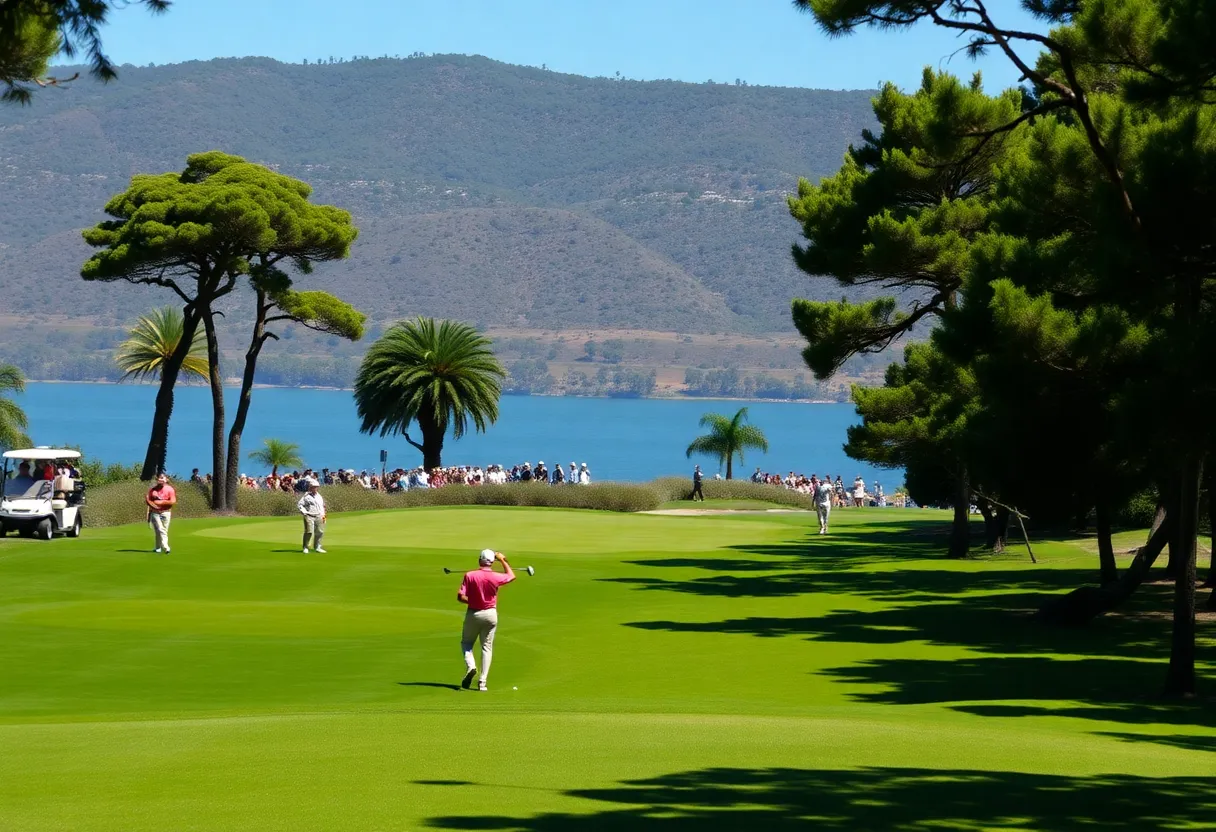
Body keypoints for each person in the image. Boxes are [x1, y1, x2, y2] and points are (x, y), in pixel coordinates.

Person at [457, 548, 516, 691]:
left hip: (473, 613)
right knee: (486, 647)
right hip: (490, 615)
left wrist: (473, 601)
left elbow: (460, 597)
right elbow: (511, 576)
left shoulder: (469, 575)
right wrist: (502, 559)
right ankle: (482, 683)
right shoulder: (496, 577)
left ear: (479, 560)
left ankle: (471, 666)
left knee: (466, 643)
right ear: (492, 562)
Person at [146, 473, 176, 554]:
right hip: (155, 513)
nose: (161, 479)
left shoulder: (170, 489)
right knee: (160, 529)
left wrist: (161, 502)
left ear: (166, 480)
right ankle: (166, 547)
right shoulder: (152, 490)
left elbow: (173, 501)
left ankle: (158, 548)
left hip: (166, 512)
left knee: (163, 531)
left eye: (162, 478)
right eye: (159, 478)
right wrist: (149, 514)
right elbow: (148, 501)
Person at [298, 481, 326, 553]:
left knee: (320, 531)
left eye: (316, 487)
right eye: (313, 487)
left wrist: (324, 517)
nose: (315, 488)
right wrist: (304, 512)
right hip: (309, 515)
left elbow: (322, 507)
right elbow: (300, 505)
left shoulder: (319, 496)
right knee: (309, 532)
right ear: (310, 487)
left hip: (319, 515)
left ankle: (317, 547)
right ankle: (305, 547)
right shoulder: (306, 496)